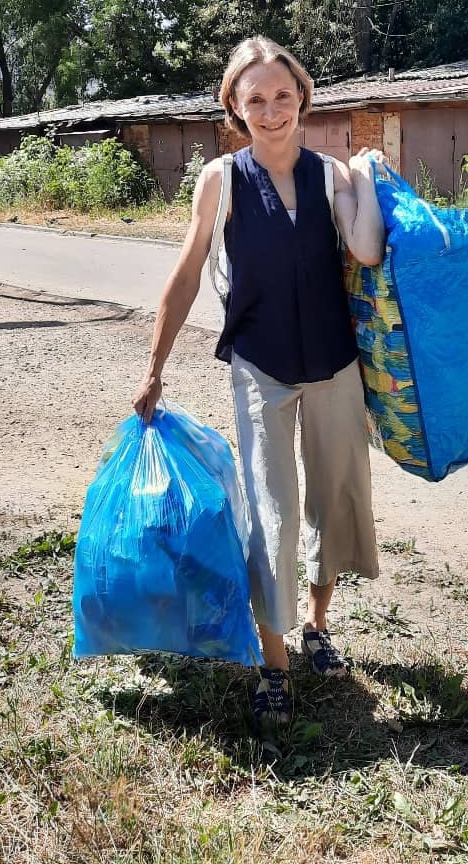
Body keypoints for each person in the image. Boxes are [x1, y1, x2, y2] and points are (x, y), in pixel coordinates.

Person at [132, 36, 386, 726]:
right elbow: (187, 274)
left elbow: (365, 248)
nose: (272, 111)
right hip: (262, 366)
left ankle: (317, 626)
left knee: (334, 497)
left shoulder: (332, 175)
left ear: (303, 98)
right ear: (235, 111)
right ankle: (275, 665)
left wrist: (364, 177)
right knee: (273, 507)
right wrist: (154, 365)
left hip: (334, 362)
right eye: (256, 100)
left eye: (283, 96)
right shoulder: (221, 179)